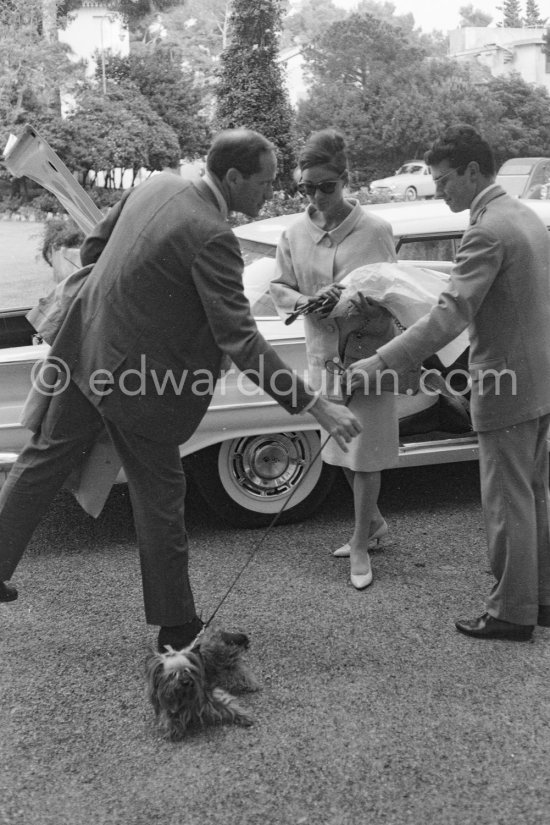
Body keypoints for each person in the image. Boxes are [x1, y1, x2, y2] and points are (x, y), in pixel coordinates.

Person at [0, 128, 361, 651]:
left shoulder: (156, 184)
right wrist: (313, 405)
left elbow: (94, 249)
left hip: (87, 347)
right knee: (161, 499)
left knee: (43, 459)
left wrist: (135, 302)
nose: (268, 192)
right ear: (233, 176)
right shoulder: (212, 235)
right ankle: (176, 631)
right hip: (138, 383)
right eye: (263, 182)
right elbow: (238, 338)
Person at [349, 124, 550, 640]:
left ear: (473, 171)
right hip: (539, 379)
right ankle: (539, 598)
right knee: (530, 494)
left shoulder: (486, 229)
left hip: (506, 383)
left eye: (444, 179)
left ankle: (510, 613)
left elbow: (449, 315)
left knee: (507, 501)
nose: (439, 189)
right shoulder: (524, 215)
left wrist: (382, 361)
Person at [270, 129, 398, 591]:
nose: (317, 197)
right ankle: (375, 524)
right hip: (323, 361)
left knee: (364, 456)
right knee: (341, 452)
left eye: (326, 187)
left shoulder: (376, 231)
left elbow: (390, 296)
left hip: (369, 359)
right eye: (307, 188)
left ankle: (361, 543)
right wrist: (307, 300)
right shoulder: (293, 232)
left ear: (345, 180)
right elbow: (279, 288)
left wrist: (346, 304)